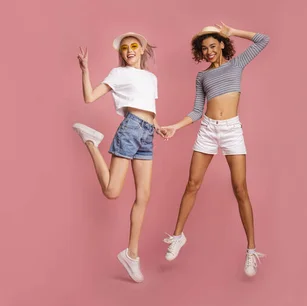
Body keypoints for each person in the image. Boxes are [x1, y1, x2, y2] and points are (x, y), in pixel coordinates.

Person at [160, 23, 270, 277]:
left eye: (212, 45)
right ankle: (177, 236)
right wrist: (176, 127)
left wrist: (234, 31)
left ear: (222, 44)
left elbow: (263, 40)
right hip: (208, 129)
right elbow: (198, 110)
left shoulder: (237, 64)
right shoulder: (203, 76)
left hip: (232, 130)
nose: (209, 51)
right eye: (204, 48)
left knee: (240, 188)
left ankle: (251, 251)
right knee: (192, 184)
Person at [73, 32, 164, 283]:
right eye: (125, 48)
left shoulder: (151, 77)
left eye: (134, 46)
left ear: (142, 50)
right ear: (121, 53)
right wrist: (85, 69)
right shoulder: (118, 74)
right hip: (130, 129)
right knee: (112, 191)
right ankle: (91, 141)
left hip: (146, 134)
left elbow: (149, 108)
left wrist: (158, 127)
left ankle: (131, 255)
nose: (129, 50)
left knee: (144, 197)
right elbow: (90, 98)